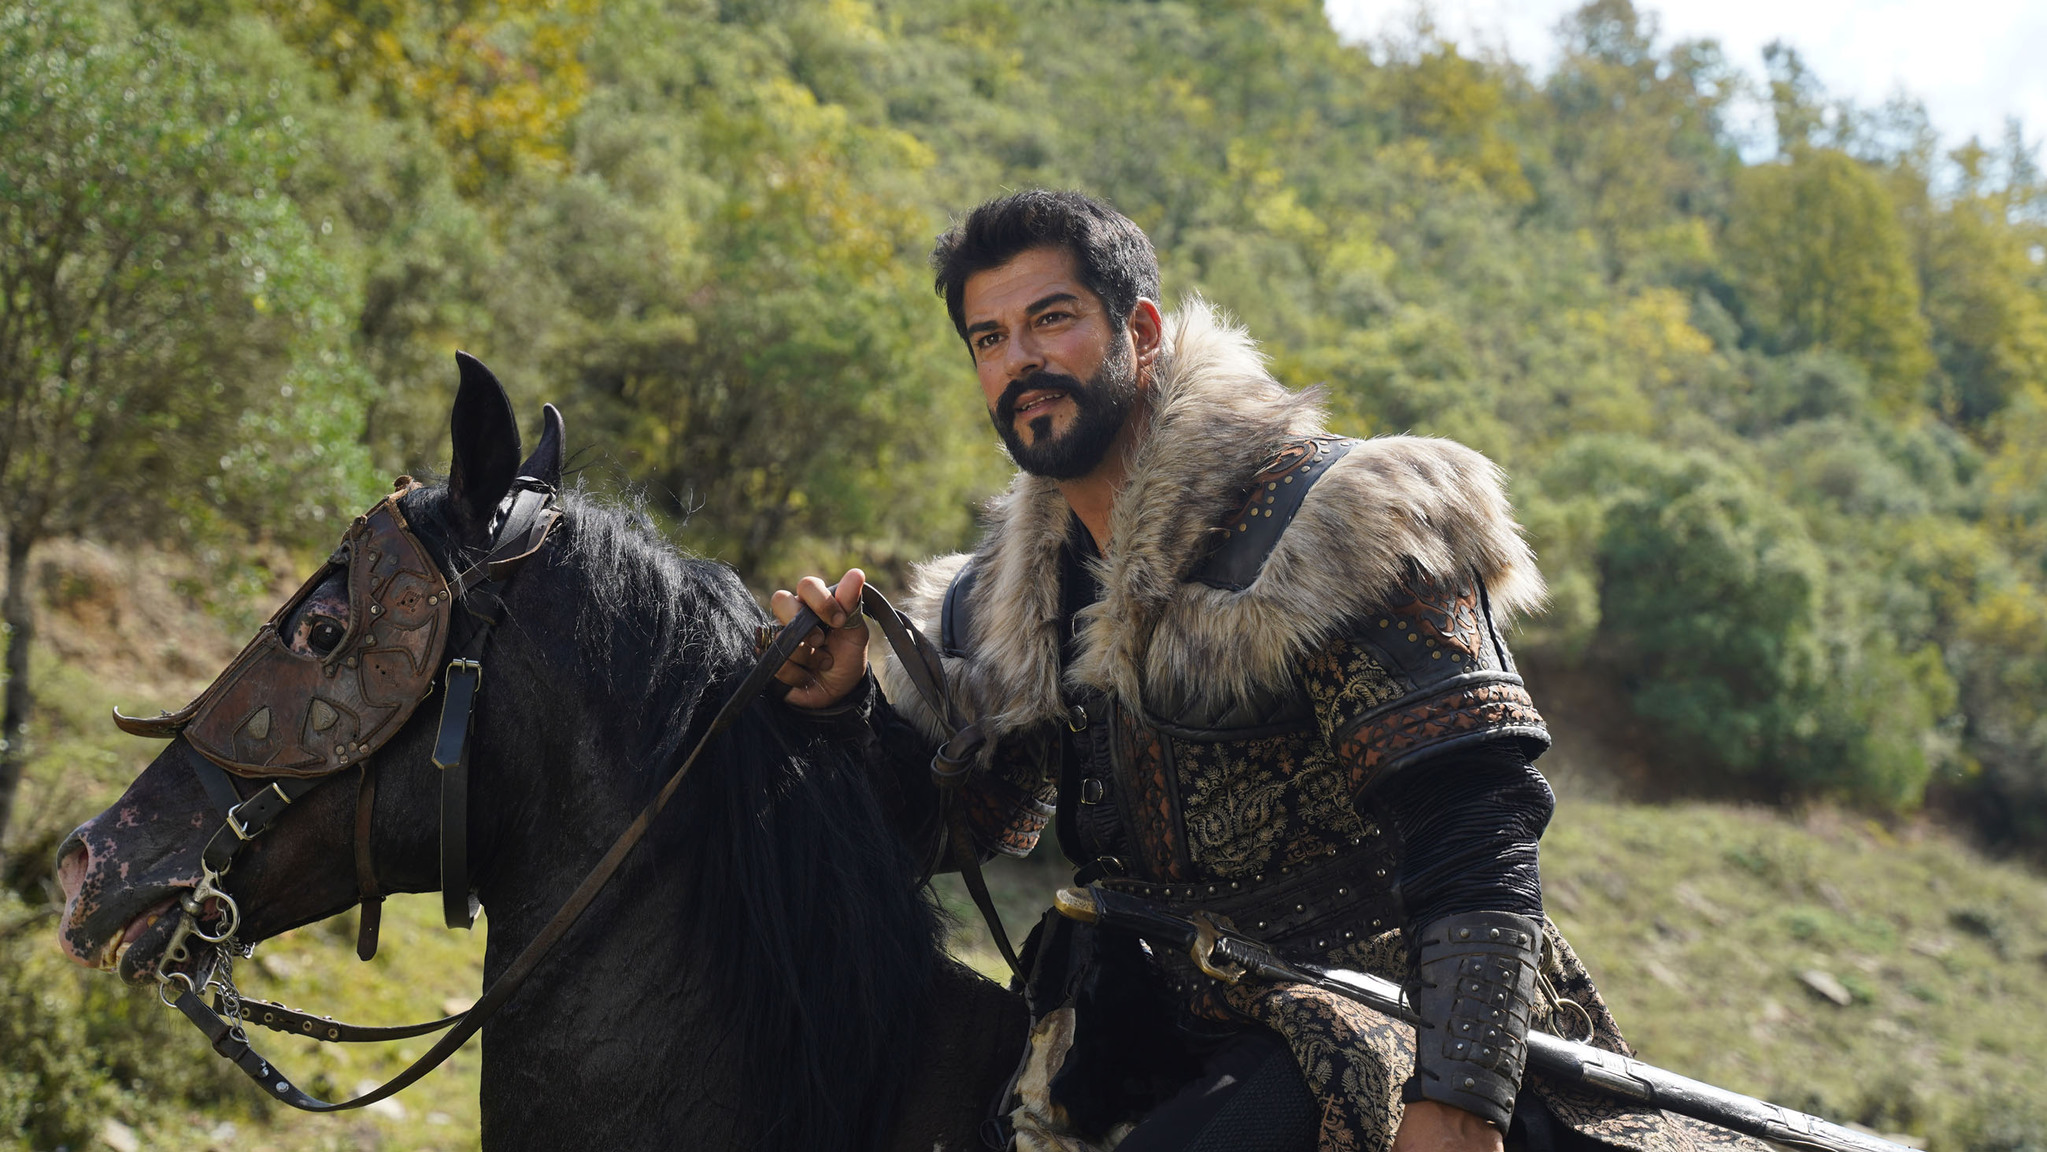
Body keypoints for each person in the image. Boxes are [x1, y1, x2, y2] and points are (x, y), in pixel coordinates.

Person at [769, 190, 1758, 1152]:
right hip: (1130, 1022)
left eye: (1051, 319)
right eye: (989, 338)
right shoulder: (997, 600)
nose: (1019, 359)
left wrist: (1460, 1103)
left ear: (1138, 331)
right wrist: (844, 712)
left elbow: (1476, 821)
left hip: (1376, 1010)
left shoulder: (1336, 523)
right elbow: (967, 827)